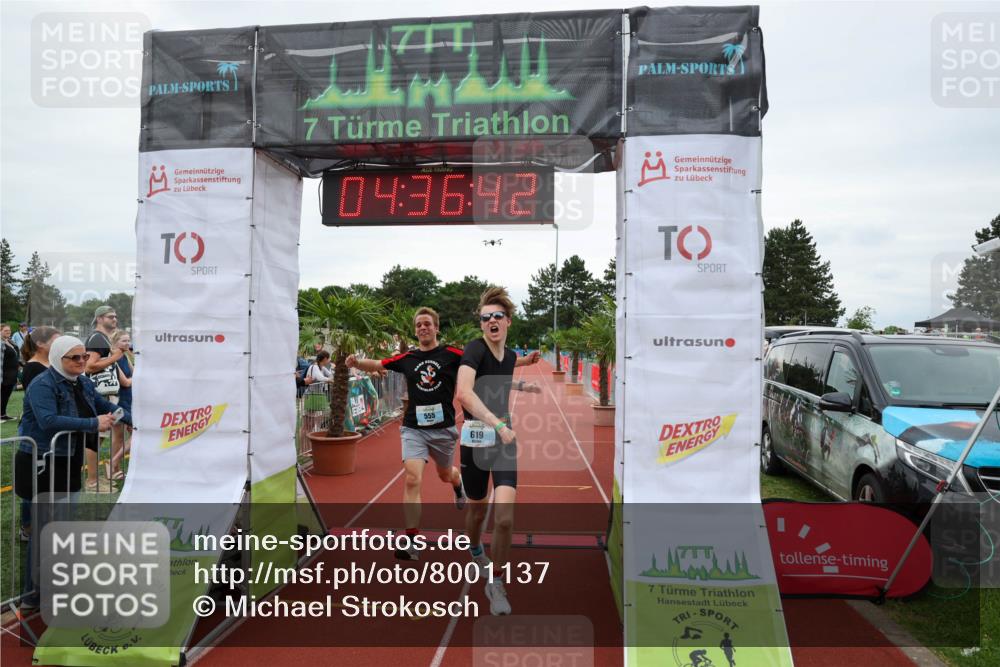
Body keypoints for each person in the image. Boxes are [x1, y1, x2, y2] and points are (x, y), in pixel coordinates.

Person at [15, 335, 131, 611]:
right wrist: (93, 423)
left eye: (83, 357)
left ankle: (58, 583)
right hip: (41, 461)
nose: (81, 362)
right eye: (74, 358)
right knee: (45, 528)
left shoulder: (83, 382)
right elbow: (48, 421)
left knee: (64, 525)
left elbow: (108, 408)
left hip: (68, 459)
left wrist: (136, 421)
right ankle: (32, 594)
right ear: (58, 357)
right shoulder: (42, 384)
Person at [346, 307, 468, 560]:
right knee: (412, 479)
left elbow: (482, 362)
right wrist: (356, 362)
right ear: (415, 330)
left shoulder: (452, 354)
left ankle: (457, 484)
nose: (423, 328)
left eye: (427, 324)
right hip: (414, 428)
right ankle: (412, 541)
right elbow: (378, 364)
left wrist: (519, 362)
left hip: (443, 429)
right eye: (419, 325)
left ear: (436, 327)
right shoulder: (407, 358)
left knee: (445, 474)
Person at [456, 287, 541, 615]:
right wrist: (498, 424)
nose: (491, 321)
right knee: (477, 511)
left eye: (497, 316)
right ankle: (476, 548)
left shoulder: (507, 356)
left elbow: (503, 371)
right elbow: (465, 393)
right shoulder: (474, 350)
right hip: (479, 440)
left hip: (504, 443)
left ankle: (496, 582)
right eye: (485, 317)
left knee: (504, 519)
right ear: (481, 325)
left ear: (508, 322)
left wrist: (523, 379)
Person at [83, 305, 128, 490]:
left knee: (101, 437)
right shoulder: (97, 338)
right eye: (110, 316)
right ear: (99, 319)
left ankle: (97, 476)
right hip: (99, 395)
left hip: (107, 396)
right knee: (96, 437)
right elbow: (89, 366)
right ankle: (92, 481)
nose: (115, 319)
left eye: (116, 316)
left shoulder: (103, 339)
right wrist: (115, 357)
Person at [107, 330, 134, 481]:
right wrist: (134, 378)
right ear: (115, 343)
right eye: (124, 341)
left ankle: (115, 467)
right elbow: (126, 382)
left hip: (129, 401)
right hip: (118, 402)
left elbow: (135, 373)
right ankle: (114, 465)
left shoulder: (125, 356)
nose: (127, 343)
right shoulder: (113, 359)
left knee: (123, 435)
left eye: (128, 340)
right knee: (119, 436)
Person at [1, 324, 21, 420]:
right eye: (5, 330)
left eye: (9, 330)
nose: (8, 332)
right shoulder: (0, 343)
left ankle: (3, 414)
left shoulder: (10, 341)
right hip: (3, 373)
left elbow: (16, 356)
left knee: (6, 394)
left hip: (12, 373)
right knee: (2, 394)